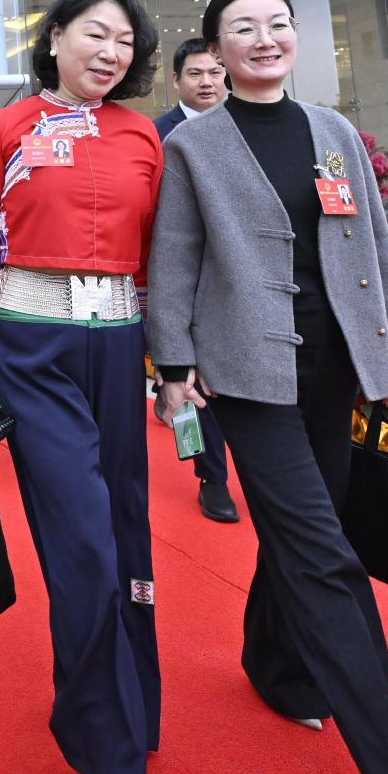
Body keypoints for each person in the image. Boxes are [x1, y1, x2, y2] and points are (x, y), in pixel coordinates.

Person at [147, 0, 388, 774]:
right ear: (216, 48)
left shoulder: (332, 130)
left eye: (278, 23)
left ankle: (273, 664)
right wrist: (174, 364)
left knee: (305, 530)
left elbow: (373, 243)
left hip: (334, 365)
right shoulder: (195, 144)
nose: (264, 38)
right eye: (244, 27)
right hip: (247, 373)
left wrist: (387, 351)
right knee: (324, 555)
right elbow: (173, 255)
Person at [0, 0, 163, 774]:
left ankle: (132, 703)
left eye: (125, 41)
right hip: (32, 347)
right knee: (82, 542)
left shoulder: (144, 134)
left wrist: (174, 362)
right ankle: (111, 761)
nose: (111, 52)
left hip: (122, 343)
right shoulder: (6, 128)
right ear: (55, 35)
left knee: (128, 528)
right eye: (96, 33)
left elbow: (161, 254)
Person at [150, 37, 238, 526]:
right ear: (176, 80)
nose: (207, 82)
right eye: (196, 74)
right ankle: (212, 477)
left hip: (237, 277)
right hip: (182, 275)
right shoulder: (156, 135)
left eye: (215, 72)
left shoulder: (243, 125)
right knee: (191, 377)